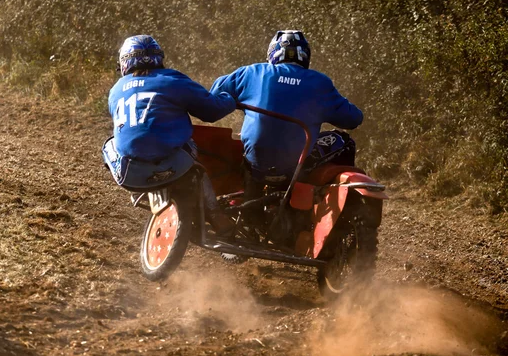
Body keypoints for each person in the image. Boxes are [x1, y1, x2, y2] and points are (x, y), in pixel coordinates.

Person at [209, 30, 363, 217]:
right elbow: (354, 119)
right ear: (305, 56)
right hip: (295, 166)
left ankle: (249, 205)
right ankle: (320, 209)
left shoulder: (252, 72)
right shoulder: (320, 82)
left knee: (247, 149)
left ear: (272, 53)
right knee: (344, 141)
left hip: (256, 163)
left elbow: (214, 95)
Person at [102, 35, 236, 233]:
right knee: (192, 147)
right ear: (158, 57)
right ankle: (215, 213)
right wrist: (231, 97)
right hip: (176, 166)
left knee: (109, 144)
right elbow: (212, 112)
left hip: (130, 174)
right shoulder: (173, 80)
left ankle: (144, 193)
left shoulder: (115, 91)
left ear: (125, 61)